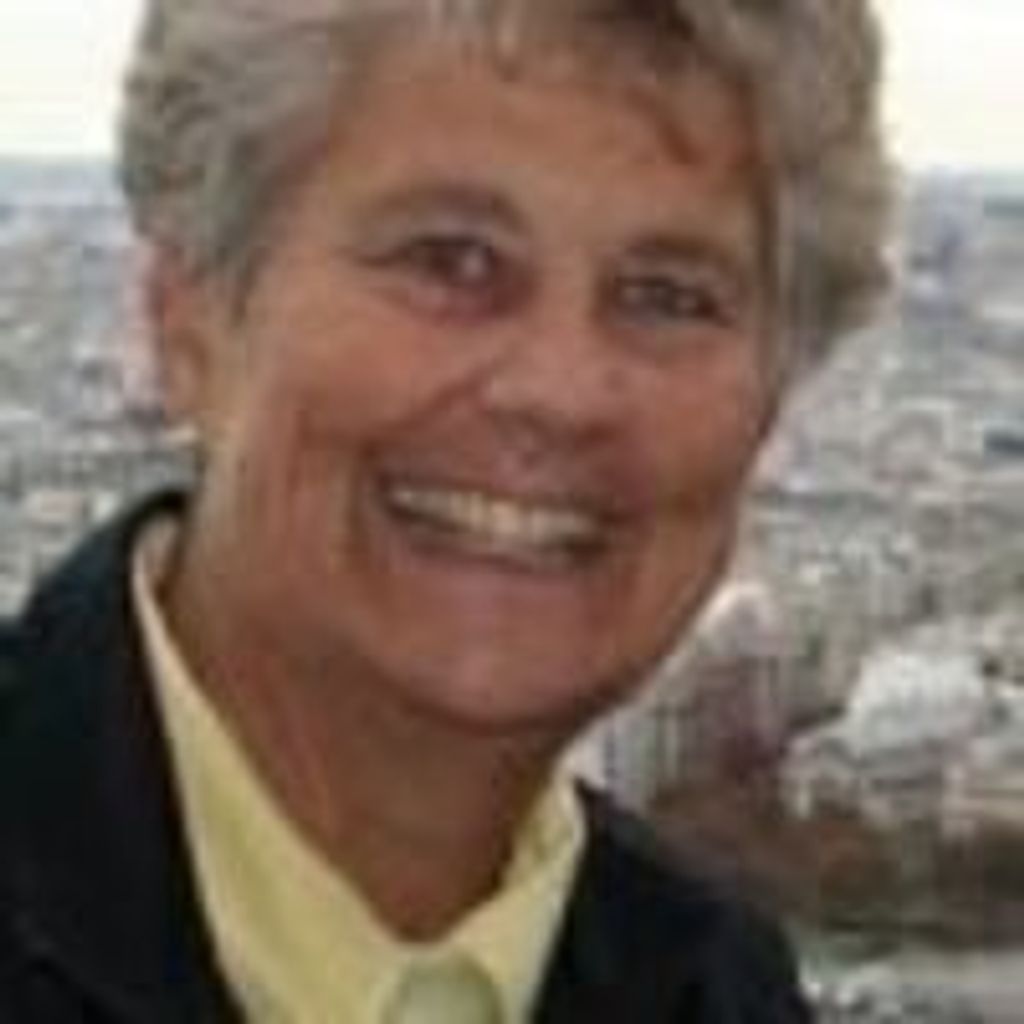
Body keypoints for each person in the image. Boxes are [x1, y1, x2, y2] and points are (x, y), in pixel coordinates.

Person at [0, 0, 890, 1020]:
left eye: (668, 297)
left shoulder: (720, 990)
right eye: (450, 261)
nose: (560, 390)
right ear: (187, 323)